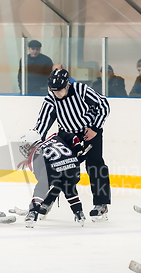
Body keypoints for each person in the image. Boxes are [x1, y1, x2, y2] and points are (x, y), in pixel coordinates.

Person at [34, 68, 111, 221]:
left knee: (95, 165)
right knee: (62, 168)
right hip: (67, 136)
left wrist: (95, 128)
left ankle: (101, 204)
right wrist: (36, 141)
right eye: (53, 90)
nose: (56, 93)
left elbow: (103, 105)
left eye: (59, 90)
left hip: (89, 132)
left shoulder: (81, 90)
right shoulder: (51, 98)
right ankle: (48, 201)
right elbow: (43, 122)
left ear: (67, 84)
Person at [18, 129, 87, 228]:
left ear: (30, 143)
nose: (25, 149)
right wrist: (77, 148)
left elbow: (41, 178)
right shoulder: (55, 137)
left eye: (26, 146)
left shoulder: (34, 155)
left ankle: (32, 213)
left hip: (53, 169)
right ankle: (79, 213)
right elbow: (70, 136)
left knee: (41, 188)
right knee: (69, 187)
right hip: (73, 166)